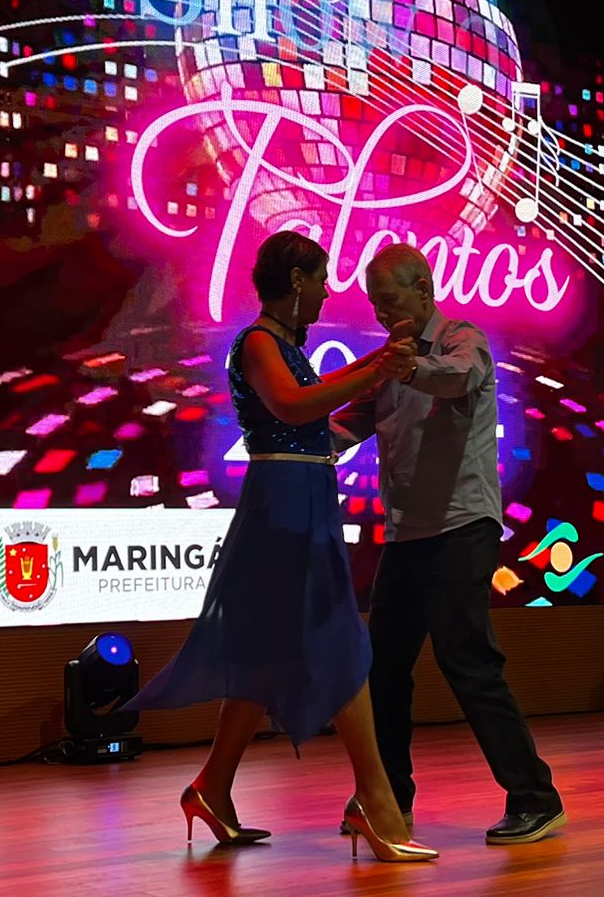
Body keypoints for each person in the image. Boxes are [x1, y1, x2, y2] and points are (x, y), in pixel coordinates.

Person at [126, 230, 437, 862]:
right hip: (285, 502)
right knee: (340, 638)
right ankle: (376, 801)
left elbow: (317, 402)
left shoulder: (285, 345)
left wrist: (378, 366)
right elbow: (294, 408)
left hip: (302, 495)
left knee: (264, 653)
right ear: (295, 281)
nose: (326, 292)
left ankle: (212, 787)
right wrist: (377, 368)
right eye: (320, 280)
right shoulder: (259, 342)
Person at [332, 244, 566, 845]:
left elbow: (455, 378)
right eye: (375, 304)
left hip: (462, 527)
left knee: (468, 661)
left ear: (423, 288)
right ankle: (389, 800)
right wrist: (287, 436)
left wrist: (406, 369)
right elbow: (347, 423)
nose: (382, 314)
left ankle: (535, 798)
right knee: (383, 666)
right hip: (407, 534)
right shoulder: (390, 361)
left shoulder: (464, 340)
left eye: (389, 300)